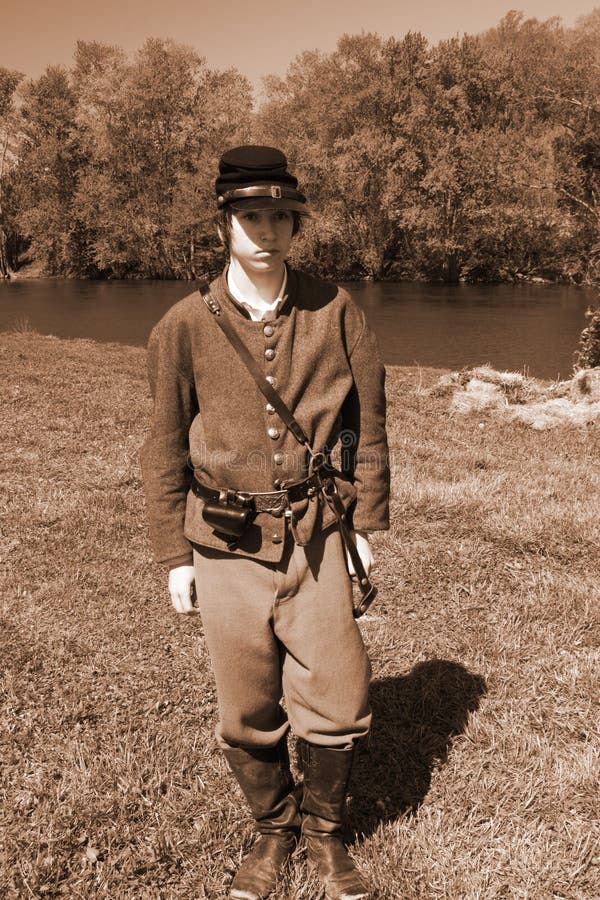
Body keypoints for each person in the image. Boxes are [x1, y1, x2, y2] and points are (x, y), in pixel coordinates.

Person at [140, 145, 390, 900]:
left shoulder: (336, 307)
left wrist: (362, 520)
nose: (268, 230)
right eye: (252, 215)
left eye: (282, 215)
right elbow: (161, 442)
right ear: (225, 221)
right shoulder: (183, 325)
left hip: (316, 534)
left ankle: (325, 838)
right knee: (246, 702)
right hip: (224, 543)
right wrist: (173, 556)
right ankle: (273, 830)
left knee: (339, 695)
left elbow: (364, 425)